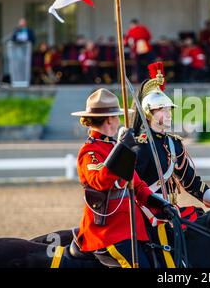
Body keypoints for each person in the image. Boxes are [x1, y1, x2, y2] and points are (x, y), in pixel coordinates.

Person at [71, 88, 177, 268]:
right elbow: (100, 181)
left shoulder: (113, 145)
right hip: (108, 233)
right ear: (110, 119)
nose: (119, 120)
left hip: (132, 229)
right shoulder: (90, 151)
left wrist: (161, 204)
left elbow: (137, 185)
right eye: (117, 116)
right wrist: (121, 149)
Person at [131, 62, 210, 210]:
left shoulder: (173, 144)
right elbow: (132, 189)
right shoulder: (140, 146)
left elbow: (191, 182)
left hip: (170, 210)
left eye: (169, 109)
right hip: (146, 215)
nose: (169, 114)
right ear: (149, 113)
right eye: (162, 110)